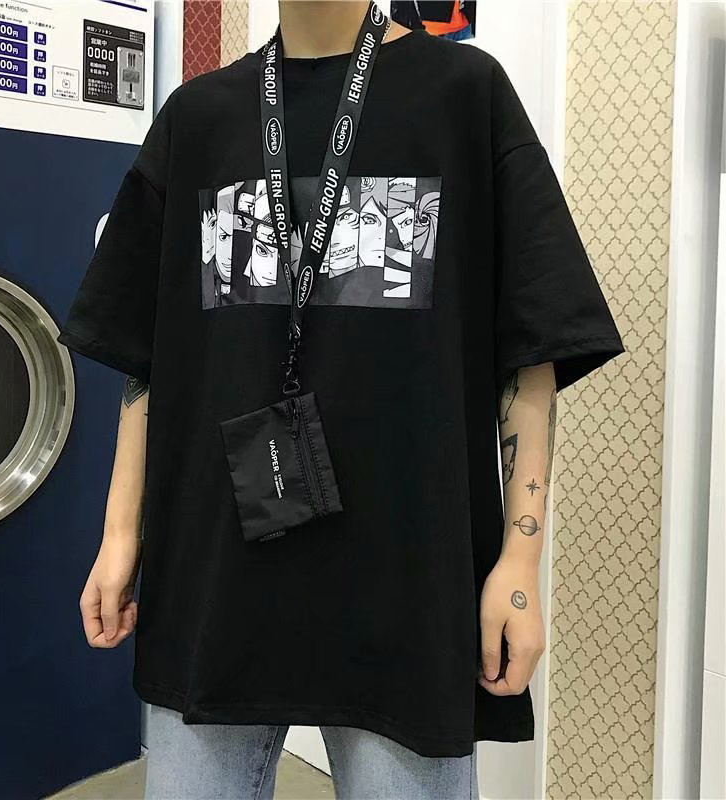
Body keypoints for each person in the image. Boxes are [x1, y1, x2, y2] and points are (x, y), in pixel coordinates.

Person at [56, 1, 626, 798]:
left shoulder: (464, 95)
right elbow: (144, 351)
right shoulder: (198, 117)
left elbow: (530, 350)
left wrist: (520, 561)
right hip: (213, 578)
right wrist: (121, 533)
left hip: (406, 586)